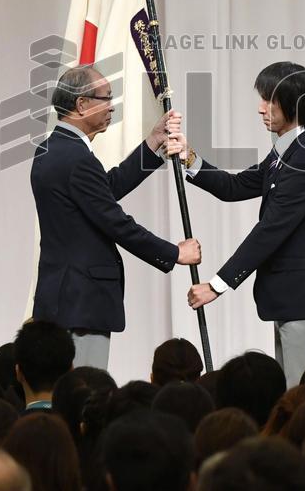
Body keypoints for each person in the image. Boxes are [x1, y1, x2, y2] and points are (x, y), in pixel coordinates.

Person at [178, 61, 305, 386]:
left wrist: (216, 285)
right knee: (292, 403)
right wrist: (189, 158)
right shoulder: (285, 153)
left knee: (304, 404)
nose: (261, 108)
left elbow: (270, 231)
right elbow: (235, 187)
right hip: (291, 297)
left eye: (270, 99)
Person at [31, 65, 201, 369]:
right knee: (84, 394)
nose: (112, 106)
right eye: (105, 98)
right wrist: (174, 253)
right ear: (81, 104)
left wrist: (152, 143)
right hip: (80, 304)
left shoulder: (51, 150)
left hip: (61, 299)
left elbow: (103, 192)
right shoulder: (76, 158)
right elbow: (115, 221)